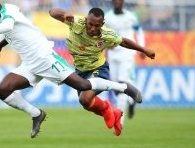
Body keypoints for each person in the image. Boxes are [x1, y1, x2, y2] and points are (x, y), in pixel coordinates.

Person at [0, 0, 143, 138]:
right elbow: (13, 32)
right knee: (2, 90)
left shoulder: (9, 13)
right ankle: (37, 114)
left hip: (45, 58)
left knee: (83, 86)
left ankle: (124, 87)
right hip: (29, 64)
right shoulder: (5, 16)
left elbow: (8, 26)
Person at [49, 7, 155, 135]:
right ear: (86, 20)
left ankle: (124, 88)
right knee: (86, 103)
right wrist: (65, 14)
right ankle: (112, 112)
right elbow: (52, 12)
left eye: (97, 25)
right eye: (90, 24)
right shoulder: (76, 22)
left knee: (85, 98)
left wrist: (144, 50)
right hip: (80, 70)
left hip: (98, 69)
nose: (93, 28)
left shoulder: (107, 35)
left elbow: (124, 42)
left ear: (102, 24)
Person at [105, 0, 145, 126]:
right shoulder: (107, 17)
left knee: (122, 82)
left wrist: (141, 48)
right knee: (117, 87)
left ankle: (119, 120)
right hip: (113, 54)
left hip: (127, 54)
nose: (117, 1)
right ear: (112, 1)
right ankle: (131, 100)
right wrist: (106, 45)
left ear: (123, 0)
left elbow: (139, 31)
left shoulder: (131, 16)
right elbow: (102, 34)